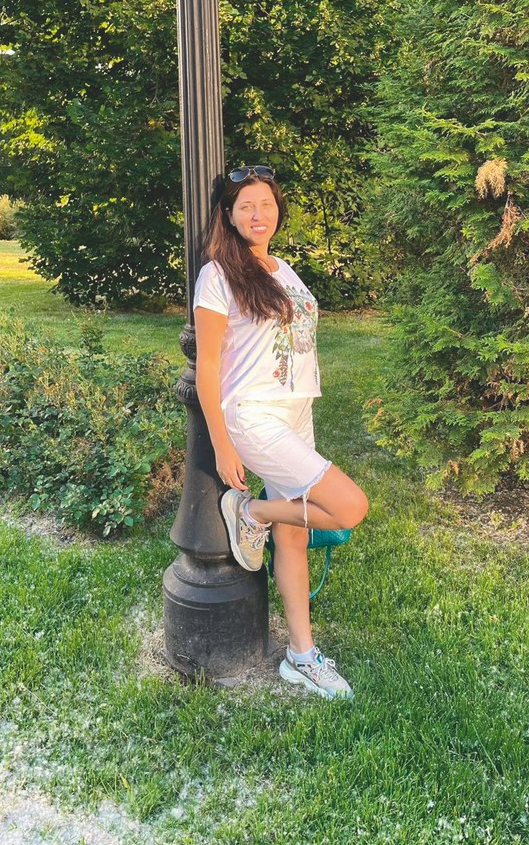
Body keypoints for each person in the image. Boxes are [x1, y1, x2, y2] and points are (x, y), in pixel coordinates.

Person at [193, 165, 369, 700]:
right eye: (245, 205)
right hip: (254, 415)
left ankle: (301, 656)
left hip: (295, 413)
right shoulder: (217, 275)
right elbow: (207, 366)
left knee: (295, 535)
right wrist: (221, 442)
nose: (258, 214)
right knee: (349, 507)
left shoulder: (282, 268)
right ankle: (252, 512)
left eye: (266, 204)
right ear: (228, 214)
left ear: (278, 210)